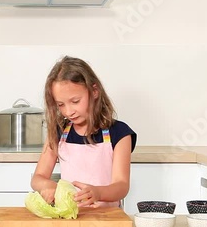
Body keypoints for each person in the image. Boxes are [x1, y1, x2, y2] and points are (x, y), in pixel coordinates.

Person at [31, 56, 137, 208]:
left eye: (75, 102)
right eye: (60, 104)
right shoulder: (58, 132)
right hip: (71, 218)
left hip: (107, 221)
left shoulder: (119, 133)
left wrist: (98, 193)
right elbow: (37, 178)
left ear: (94, 91)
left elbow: (121, 186)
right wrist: (47, 185)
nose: (68, 112)